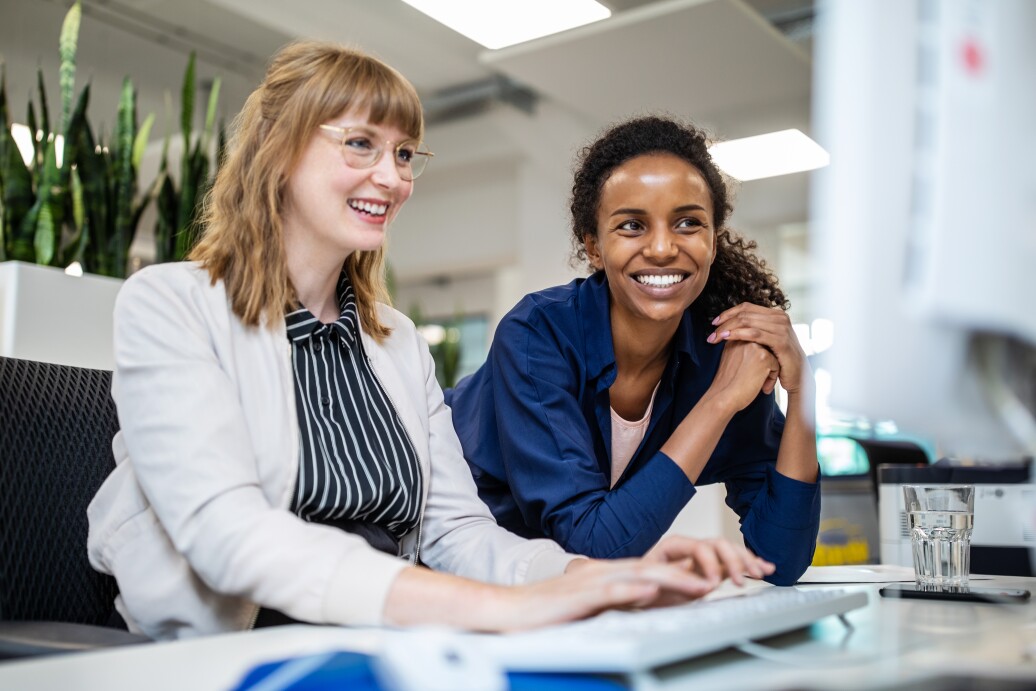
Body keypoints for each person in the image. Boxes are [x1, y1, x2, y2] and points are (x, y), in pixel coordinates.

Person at [86, 45, 772, 640]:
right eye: (361, 144)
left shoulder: (396, 342)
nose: (392, 177)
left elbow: (455, 533)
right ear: (278, 150)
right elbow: (228, 535)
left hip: (384, 631)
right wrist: (486, 608)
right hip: (227, 646)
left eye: (405, 153)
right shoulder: (172, 303)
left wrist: (606, 577)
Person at [446, 116, 820, 585]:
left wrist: (802, 387)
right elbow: (593, 543)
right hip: (442, 550)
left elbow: (780, 559)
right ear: (595, 248)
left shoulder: (720, 353)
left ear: (712, 240)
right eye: (632, 226)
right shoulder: (537, 334)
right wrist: (720, 401)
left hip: (553, 585)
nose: (663, 248)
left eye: (688, 223)